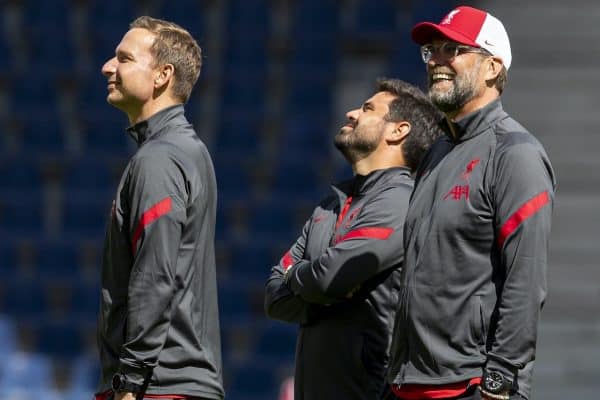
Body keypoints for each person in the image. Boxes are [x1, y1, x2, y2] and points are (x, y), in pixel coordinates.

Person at [387, 6, 556, 400]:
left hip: (471, 386)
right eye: (432, 51)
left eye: (453, 50)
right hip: (408, 383)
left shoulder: (516, 154)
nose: (438, 62)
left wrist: (500, 382)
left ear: (493, 67)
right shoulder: (437, 151)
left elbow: (525, 279)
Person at [265, 78, 444, 400]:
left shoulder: (400, 203)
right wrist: (324, 287)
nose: (351, 113)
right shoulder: (331, 202)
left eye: (367, 108)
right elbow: (275, 297)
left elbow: (327, 278)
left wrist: (307, 280)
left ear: (398, 131)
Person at [95, 16, 224, 400]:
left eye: (124, 58)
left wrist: (129, 381)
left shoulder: (160, 158)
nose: (108, 66)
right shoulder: (187, 150)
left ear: (162, 75)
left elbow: (155, 273)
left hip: (158, 387)